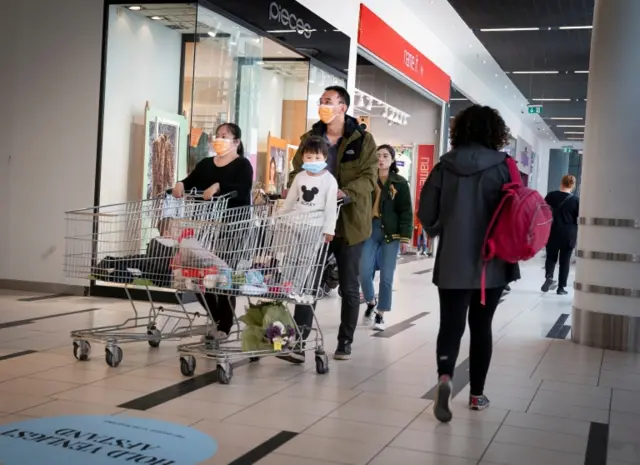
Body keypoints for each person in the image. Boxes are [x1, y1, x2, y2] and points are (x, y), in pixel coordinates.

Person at [419, 105, 520, 422]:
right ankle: (477, 395)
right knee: (482, 327)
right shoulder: (506, 166)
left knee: (450, 325)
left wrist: (440, 229)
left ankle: (446, 377)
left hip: (452, 261)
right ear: (495, 132)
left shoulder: (444, 167)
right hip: (492, 262)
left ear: (459, 130)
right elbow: (519, 210)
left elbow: (426, 213)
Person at [281, 85, 377, 362]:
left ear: (342, 107)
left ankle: (344, 342)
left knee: (348, 285)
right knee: (306, 281)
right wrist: (292, 189)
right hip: (313, 222)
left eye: (328, 101)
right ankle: (299, 342)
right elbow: (296, 171)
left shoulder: (362, 140)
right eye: (321, 101)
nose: (323, 105)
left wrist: (345, 192)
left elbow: (370, 176)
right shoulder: (310, 138)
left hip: (349, 223)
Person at [171, 123, 253, 337]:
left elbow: (243, 192)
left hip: (232, 228)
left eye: (224, 136)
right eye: (217, 135)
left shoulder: (243, 165)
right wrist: (180, 184)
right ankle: (216, 317)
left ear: (236, 142)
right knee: (197, 275)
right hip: (205, 228)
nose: (219, 139)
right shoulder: (206, 164)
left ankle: (224, 325)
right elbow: (190, 182)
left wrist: (219, 188)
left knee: (223, 276)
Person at [361, 145, 413, 331]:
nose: (381, 159)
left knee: (387, 276)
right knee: (364, 271)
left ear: (392, 160)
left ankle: (380, 314)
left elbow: (406, 211)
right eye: (378, 156)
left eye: (385, 156)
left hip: (392, 233)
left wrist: (406, 238)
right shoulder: (367, 179)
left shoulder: (399, 183)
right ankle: (370, 301)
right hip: (369, 229)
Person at [278, 136, 338, 294]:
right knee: (290, 256)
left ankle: (296, 288)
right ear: (303, 157)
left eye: (317, 157)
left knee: (305, 259)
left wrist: (329, 229)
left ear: (324, 158)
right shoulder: (299, 176)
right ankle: (286, 285)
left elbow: (331, 207)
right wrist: (279, 216)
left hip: (315, 226)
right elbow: (290, 201)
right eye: (309, 157)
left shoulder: (329, 180)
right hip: (295, 223)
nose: (312, 161)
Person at [542, 174, 579, 295]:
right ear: (572, 186)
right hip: (568, 234)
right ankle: (561, 288)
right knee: (565, 261)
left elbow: (543, 211)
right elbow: (578, 218)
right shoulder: (575, 200)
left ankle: (549, 277)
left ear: (561, 183)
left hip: (552, 231)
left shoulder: (551, 196)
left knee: (551, 257)